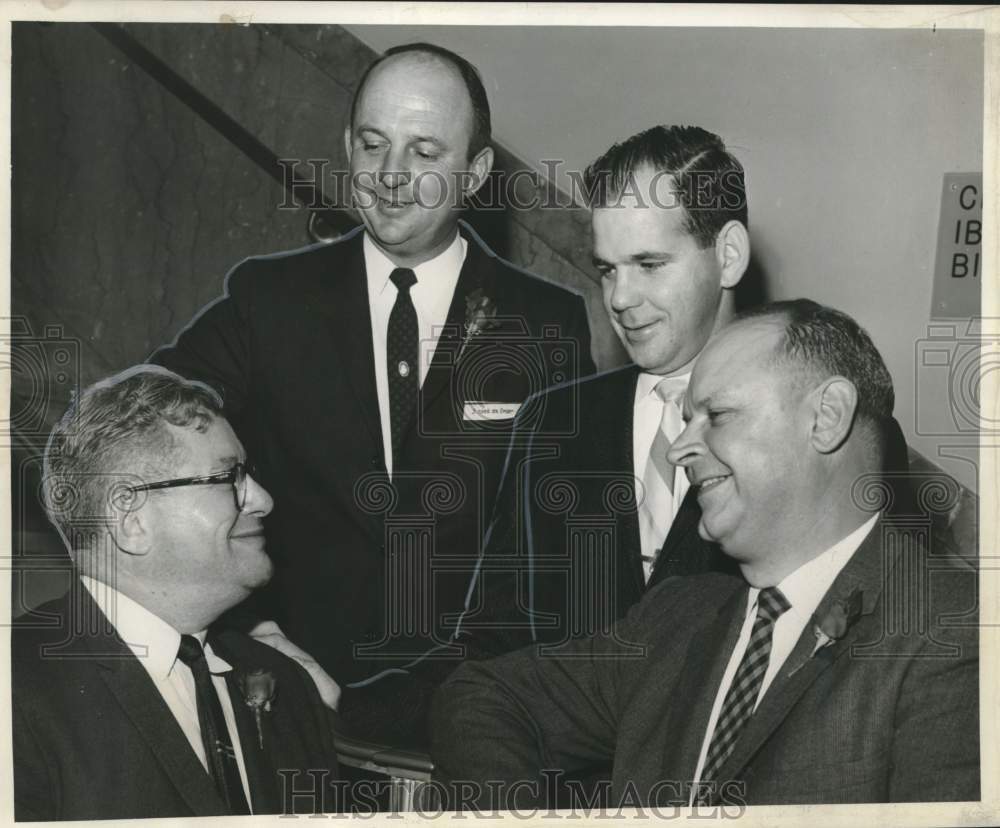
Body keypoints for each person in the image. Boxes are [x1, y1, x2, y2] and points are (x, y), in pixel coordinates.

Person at [150, 43, 595, 694]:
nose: (390, 173)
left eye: (424, 152)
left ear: (475, 174)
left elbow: (563, 540)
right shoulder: (268, 300)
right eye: (373, 144)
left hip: (470, 708)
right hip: (286, 697)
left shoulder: (545, 322)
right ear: (347, 147)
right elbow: (147, 433)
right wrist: (244, 625)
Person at [430, 300, 979, 808]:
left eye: (716, 416)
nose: (679, 450)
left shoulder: (958, 631)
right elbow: (484, 696)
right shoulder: (677, 616)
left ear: (826, 416)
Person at [335, 125, 751, 747]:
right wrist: (336, 705)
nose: (621, 299)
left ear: (728, 254)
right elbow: (492, 647)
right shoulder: (553, 422)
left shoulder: (802, 422)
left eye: (649, 264)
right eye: (607, 269)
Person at [13, 367, 339, 820]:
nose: (263, 500)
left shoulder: (290, 686)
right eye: (229, 478)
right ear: (131, 520)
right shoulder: (17, 690)